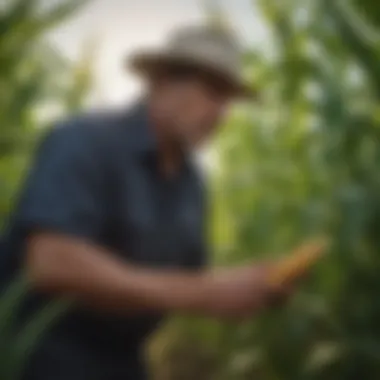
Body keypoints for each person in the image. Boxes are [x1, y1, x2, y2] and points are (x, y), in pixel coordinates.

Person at [1, 25, 296, 380]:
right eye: (212, 92)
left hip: (123, 361)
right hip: (34, 353)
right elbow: (51, 262)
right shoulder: (84, 141)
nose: (221, 113)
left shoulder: (192, 185)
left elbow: (187, 281)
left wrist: (252, 286)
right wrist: (204, 292)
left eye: (227, 100)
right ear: (160, 82)